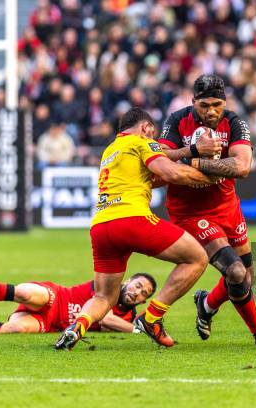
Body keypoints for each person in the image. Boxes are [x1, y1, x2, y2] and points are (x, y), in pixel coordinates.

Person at [55, 107, 212, 350]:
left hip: (101, 226)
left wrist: (189, 152)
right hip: (132, 220)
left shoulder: (111, 150)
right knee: (197, 258)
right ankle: (151, 318)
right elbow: (170, 172)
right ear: (146, 128)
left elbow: (150, 177)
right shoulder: (141, 142)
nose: (154, 139)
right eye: (153, 134)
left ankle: (78, 326)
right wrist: (211, 176)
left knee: (104, 297)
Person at [158, 74, 256, 347]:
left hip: (227, 208)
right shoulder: (177, 121)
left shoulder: (235, 123)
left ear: (225, 102)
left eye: (217, 104)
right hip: (190, 213)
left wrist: (196, 162)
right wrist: (191, 149)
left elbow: (243, 167)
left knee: (246, 278)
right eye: (204, 105)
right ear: (193, 102)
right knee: (235, 272)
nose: (211, 111)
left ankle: (207, 305)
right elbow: (158, 156)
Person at [0, 273, 156, 334]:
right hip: (56, 296)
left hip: (53, 324)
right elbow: (106, 318)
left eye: (143, 293)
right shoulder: (106, 286)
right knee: (25, 293)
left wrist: (136, 326)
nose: (137, 293)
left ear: (144, 301)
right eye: (137, 286)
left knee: (15, 328)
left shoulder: (128, 317)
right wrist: (138, 331)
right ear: (127, 281)